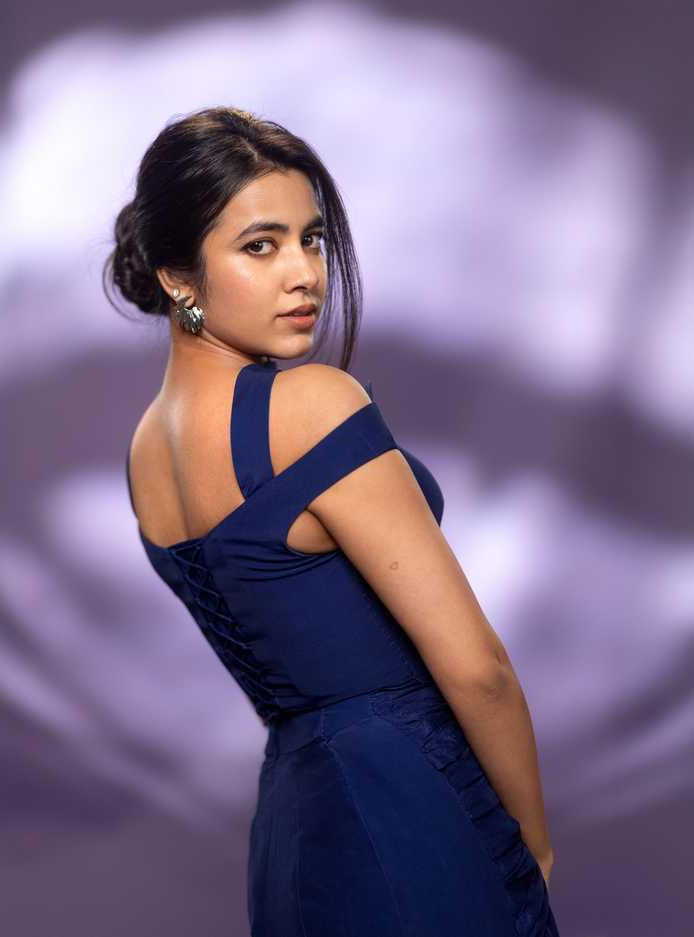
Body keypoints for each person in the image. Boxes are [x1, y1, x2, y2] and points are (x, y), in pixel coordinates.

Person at [104, 105, 561, 936]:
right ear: (177, 277)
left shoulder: (143, 455)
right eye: (260, 246)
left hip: (294, 834)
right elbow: (478, 668)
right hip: (414, 807)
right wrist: (529, 840)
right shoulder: (310, 404)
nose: (305, 273)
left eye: (311, 239)